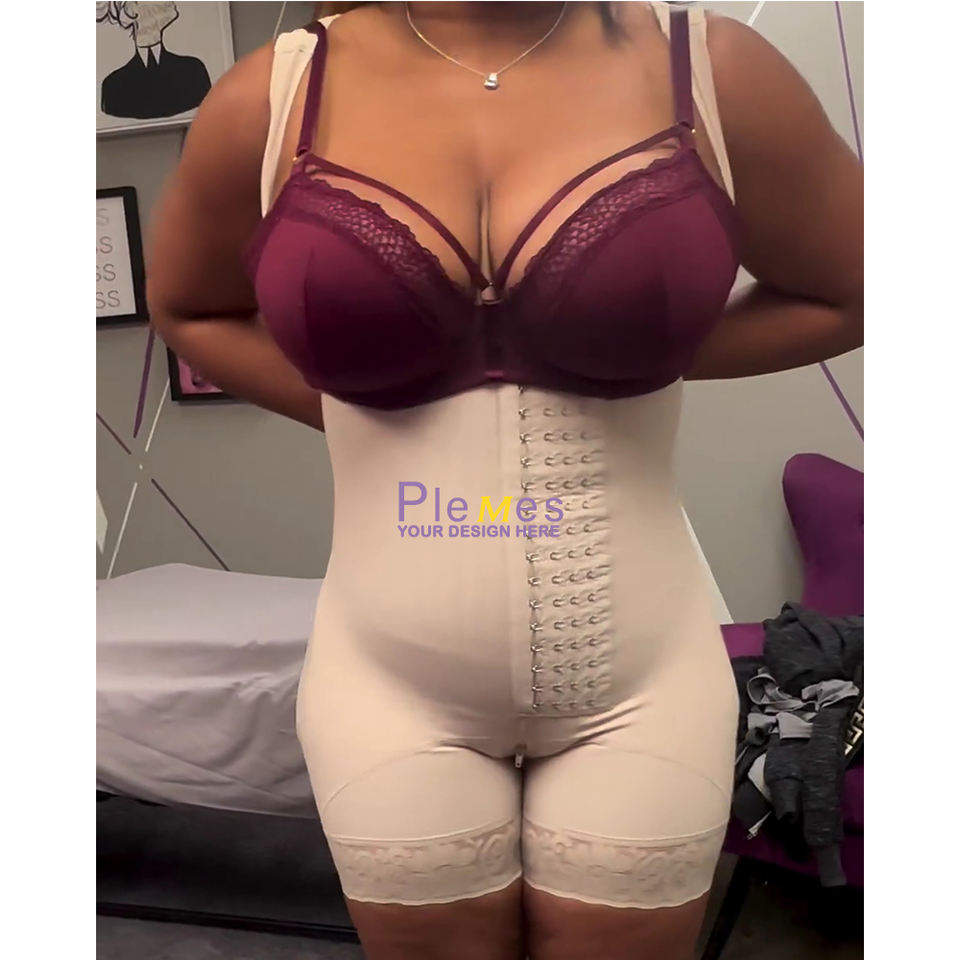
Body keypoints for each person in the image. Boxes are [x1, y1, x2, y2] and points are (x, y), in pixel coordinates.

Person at [146, 3, 863, 958]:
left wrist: (655, 349)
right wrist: (355, 409)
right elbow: (189, 307)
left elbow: (859, 287)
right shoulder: (270, 97)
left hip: (643, 681)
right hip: (388, 684)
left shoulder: (713, 70)